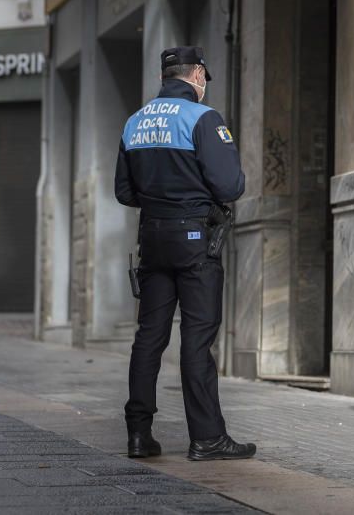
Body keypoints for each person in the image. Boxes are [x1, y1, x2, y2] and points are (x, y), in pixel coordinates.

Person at [114, 46, 255, 461]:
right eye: (204, 77)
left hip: (153, 240)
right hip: (195, 240)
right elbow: (230, 187)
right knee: (196, 340)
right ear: (196, 74)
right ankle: (207, 438)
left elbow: (123, 192)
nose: (205, 83)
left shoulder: (134, 122)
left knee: (148, 339)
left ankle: (139, 435)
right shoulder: (203, 119)